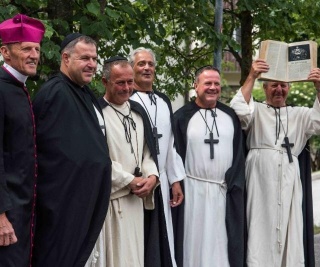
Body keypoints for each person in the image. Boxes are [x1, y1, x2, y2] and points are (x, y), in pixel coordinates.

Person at [32, 33, 112, 267]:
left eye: (95, 59)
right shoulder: (54, 93)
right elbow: (48, 158)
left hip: (83, 203)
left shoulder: (85, 92)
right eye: (84, 58)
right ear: (65, 58)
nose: (92, 65)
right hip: (63, 208)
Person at [230, 59, 319, 266]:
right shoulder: (256, 110)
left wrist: (319, 88)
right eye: (273, 85)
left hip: (289, 178)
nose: (279, 90)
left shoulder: (299, 114)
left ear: (289, 87)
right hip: (259, 179)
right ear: (265, 88)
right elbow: (238, 110)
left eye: (283, 85)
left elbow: (319, 121)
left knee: (290, 229)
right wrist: (251, 76)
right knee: (258, 226)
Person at [85, 56, 172, 267]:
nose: (127, 88)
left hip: (137, 201)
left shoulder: (138, 113)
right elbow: (98, 158)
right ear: (105, 82)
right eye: (120, 82)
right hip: (111, 202)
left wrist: (152, 176)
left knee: (135, 258)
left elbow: (147, 153)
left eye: (130, 81)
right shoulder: (96, 113)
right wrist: (128, 180)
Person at [174, 65, 246, 267]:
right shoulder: (181, 117)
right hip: (192, 191)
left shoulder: (230, 116)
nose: (213, 87)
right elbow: (173, 154)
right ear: (196, 86)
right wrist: (176, 183)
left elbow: (239, 155)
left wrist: (235, 186)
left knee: (221, 243)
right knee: (193, 241)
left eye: (216, 83)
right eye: (207, 83)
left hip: (223, 192)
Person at [129, 47, 185, 267]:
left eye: (150, 64)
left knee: (163, 239)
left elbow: (170, 143)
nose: (146, 68)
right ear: (132, 68)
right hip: (139, 183)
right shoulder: (128, 100)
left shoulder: (163, 101)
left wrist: (175, 180)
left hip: (161, 180)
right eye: (141, 64)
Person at [0, 14, 45, 267]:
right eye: (26, 48)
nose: (34, 55)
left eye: (37, 49)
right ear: (5, 52)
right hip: (6, 214)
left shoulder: (21, 88)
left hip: (22, 211)